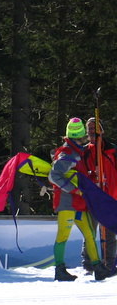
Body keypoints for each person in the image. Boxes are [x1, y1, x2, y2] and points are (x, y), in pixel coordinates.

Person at [49, 117, 109, 281]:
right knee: (63, 236)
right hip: (67, 203)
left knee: (89, 234)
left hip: (78, 203)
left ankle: (98, 267)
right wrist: (74, 189)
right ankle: (60, 270)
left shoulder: (76, 152)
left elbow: (76, 174)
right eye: (84, 134)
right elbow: (54, 175)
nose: (86, 137)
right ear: (80, 135)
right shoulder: (69, 153)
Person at [81, 117, 117, 274]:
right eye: (89, 128)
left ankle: (110, 265)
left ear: (101, 130)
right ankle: (88, 265)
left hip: (110, 197)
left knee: (109, 233)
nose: (91, 131)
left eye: (94, 128)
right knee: (90, 232)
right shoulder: (85, 151)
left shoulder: (112, 150)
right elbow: (80, 172)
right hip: (93, 197)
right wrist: (91, 174)